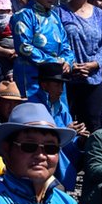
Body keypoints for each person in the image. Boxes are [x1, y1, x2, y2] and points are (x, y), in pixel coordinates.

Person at [59, 0, 102, 130]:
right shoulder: (59, 12)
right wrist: (71, 64)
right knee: (69, 125)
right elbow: (56, 42)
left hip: (94, 78)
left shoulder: (99, 14)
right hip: (68, 79)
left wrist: (95, 63)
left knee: (93, 126)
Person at [12, 0, 74, 94]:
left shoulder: (55, 17)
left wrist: (67, 61)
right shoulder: (24, 15)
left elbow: (66, 45)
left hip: (56, 79)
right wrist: (54, 62)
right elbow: (24, 47)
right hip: (32, 80)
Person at [32, 61, 89, 192]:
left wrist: (80, 138)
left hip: (62, 150)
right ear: (44, 85)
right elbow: (38, 133)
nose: (61, 90)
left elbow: (71, 136)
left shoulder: (61, 107)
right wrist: (66, 131)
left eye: (62, 85)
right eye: (57, 85)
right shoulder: (33, 104)